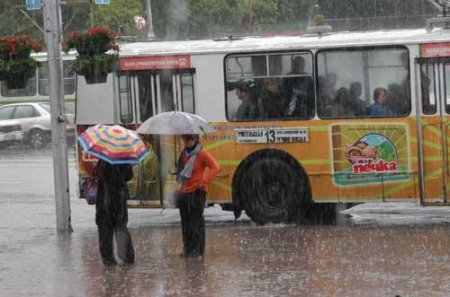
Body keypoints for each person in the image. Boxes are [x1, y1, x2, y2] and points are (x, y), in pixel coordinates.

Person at [175, 134, 220, 258]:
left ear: (196, 140)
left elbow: (215, 168)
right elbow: (181, 171)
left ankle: (197, 250)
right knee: (185, 222)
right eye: (186, 139)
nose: (188, 142)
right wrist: (178, 178)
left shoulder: (202, 154)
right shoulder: (182, 154)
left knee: (196, 222)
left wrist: (204, 182)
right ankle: (187, 247)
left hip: (197, 192)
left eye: (191, 139)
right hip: (183, 192)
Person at [93, 159, 135, 265]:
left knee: (105, 230)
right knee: (120, 227)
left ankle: (108, 259)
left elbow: (95, 173)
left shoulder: (102, 160)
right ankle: (126, 256)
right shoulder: (123, 159)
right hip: (118, 198)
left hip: (105, 200)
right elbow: (129, 175)